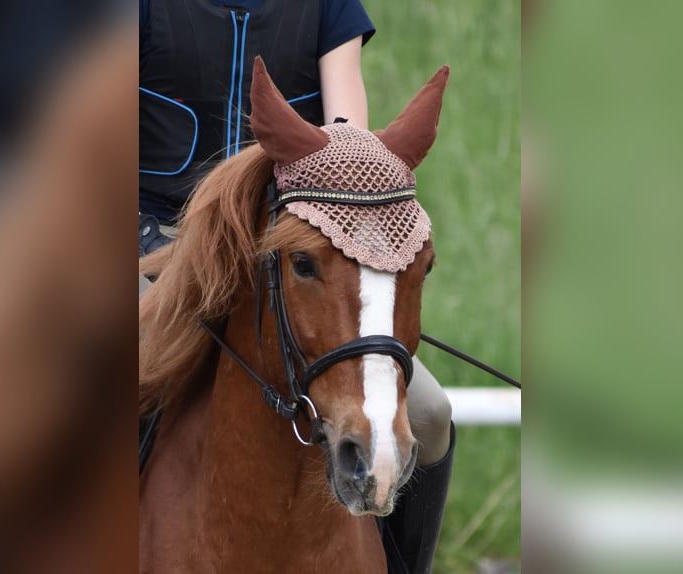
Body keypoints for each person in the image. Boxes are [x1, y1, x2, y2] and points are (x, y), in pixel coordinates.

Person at [139, 2, 454, 571]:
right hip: (148, 244)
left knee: (428, 414)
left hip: (285, 251)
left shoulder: (327, 7)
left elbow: (346, 137)